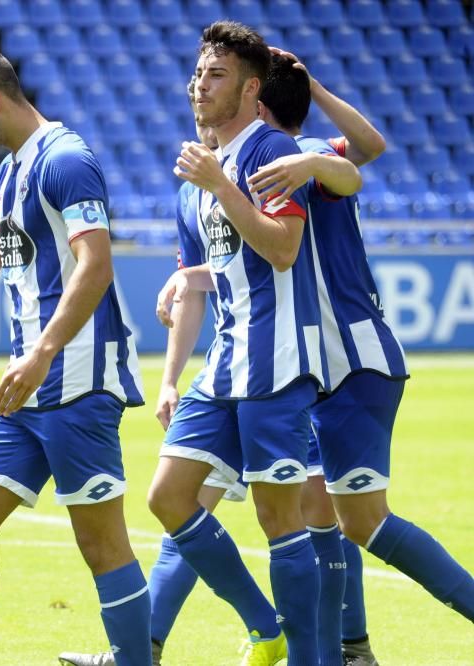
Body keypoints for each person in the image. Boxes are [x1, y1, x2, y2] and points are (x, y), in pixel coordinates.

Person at [0, 46, 150, 666]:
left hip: (74, 378)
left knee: (101, 544)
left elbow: (95, 264)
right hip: (25, 386)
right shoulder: (8, 172)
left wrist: (45, 351)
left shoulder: (66, 160)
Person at [251, 50, 473, 654]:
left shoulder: (308, 162)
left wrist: (308, 84)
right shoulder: (261, 162)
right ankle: (350, 647)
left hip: (356, 360)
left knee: (363, 520)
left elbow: (363, 156)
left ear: (258, 102)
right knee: (318, 511)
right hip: (315, 367)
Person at [143, 21, 330, 666]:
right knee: (167, 497)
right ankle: (264, 627)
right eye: (198, 73)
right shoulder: (201, 171)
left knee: (282, 522)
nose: (200, 85)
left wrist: (221, 187)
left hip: (277, 364)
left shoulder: (269, 151)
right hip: (224, 365)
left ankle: (312, 657)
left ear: (252, 89)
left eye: (216, 74)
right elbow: (213, 276)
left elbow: (282, 249)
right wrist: (181, 286)